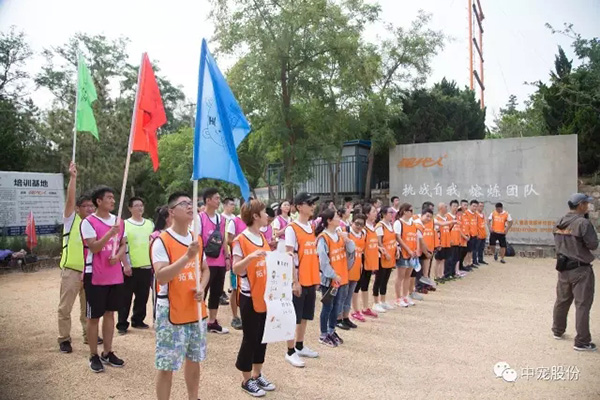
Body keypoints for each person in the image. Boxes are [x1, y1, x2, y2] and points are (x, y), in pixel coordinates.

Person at [150, 192, 210, 400]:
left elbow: (205, 269)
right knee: (167, 365)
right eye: (184, 204)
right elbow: (161, 276)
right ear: (172, 212)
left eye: (191, 203)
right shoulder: (162, 241)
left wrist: (202, 286)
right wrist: (187, 257)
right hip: (171, 311)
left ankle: (193, 397)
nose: (190, 206)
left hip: (195, 309)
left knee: (194, 359)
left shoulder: (196, 238)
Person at [232, 199, 277, 397]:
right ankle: (246, 379)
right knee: (250, 337)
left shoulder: (262, 237)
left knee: (263, 336)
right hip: (249, 296)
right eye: (264, 212)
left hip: (265, 294)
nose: (268, 215)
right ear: (256, 216)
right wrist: (250, 258)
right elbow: (236, 268)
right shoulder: (240, 240)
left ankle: (258, 374)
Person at [81, 186, 128, 373]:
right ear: (98, 201)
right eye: (109, 198)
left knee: (110, 314)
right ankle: (93, 354)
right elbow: (93, 247)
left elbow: (123, 244)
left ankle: (108, 352)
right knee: (94, 317)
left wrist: (118, 256)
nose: (113, 201)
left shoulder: (119, 221)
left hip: (114, 274)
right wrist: (110, 233)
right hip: (95, 275)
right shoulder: (88, 222)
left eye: (113, 198)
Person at [57, 162, 100, 353]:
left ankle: (88, 335)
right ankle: (64, 338)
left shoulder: (95, 224)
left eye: (92, 206)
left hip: (90, 272)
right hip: (72, 271)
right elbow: (70, 200)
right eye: (85, 206)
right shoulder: (71, 220)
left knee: (88, 308)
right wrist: (73, 178)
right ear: (77, 208)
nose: (89, 209)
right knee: (65, 307)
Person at [552, 193, 598, 352]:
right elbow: (593, 244)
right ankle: (582, 341)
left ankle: (557, 330)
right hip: (580, 268)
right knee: (582, 304)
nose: (588, 206)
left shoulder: (559, 222)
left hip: (563, 267)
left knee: (562, 300)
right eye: (586, 204)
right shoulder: (583, 223)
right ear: (580, 205)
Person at [284, 192, 320, 368]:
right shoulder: (292, 228)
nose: (312, 206)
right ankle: (290, 351)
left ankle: (299, 345)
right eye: (309, 203)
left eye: (313, 203)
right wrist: (294, 281)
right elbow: (290, 255)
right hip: (299, 279)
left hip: (311, 278)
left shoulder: (311, 227)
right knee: (294, 317)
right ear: (299, 207)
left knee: (305, 315)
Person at [315, 209, 355, 347]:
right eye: (336, 217)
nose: (339, 219)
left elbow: (351, 250)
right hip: (330, 279)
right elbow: (323, 261)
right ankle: (323, 334)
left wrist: (347, 239)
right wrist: (333, 275)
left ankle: (331, 330)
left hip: (342, 276)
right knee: (328, 306)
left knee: (337, 306)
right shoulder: (323, 238)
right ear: (329, 221)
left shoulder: (340, 234)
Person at [117, 197, 154, 334]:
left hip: (146, 265)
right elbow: (122, 245)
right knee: (125, 297)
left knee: (143, 296)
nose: (140, 208)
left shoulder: (149, 224)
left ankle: (138, 320)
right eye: (136, 205)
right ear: (130, 208)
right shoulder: (125, 224)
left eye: (141, 205)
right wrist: (125, 264)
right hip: (130, 266)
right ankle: (122, 323)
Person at [198, 188, 229, 334]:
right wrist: (199, 260)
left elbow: (223, 239)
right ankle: (199, 319)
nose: (218, 201)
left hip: (219, 261)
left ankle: (212, 321)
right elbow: (197, 239)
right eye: (216, 198)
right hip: (205, 263)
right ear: (208, 200)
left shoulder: (221, 219)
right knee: (202, 291)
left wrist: (227, 257)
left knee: (216, 292)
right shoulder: (199, 218)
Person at [355, 203, 380, 318]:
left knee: (365, 284)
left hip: (370, 260)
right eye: (373, 211)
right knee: (357, 286)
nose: (376, 213)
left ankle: (365, 307)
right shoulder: (364, 230)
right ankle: (355, 310)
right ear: (367, 214)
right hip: (362, 260)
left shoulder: (372, 227)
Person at [226, 199, 247, 331]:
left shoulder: (252, 222)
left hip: (251, 262)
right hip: (238, 260)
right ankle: (235, 316)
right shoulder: (234, 221)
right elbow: (229, 240)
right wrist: (242, 247)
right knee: (235, 288)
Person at [344, 213, 367, 325]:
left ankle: (346, 316)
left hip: (357, 268)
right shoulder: (346, 233)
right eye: (357, 223)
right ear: (352, 222)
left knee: (349, 295)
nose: (359, 226)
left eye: (361, 224)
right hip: (346, 268)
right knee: (342, 295)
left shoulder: (363, 234)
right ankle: (339, 317)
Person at [373, 206, 397, 312]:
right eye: (390, 212)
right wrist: (385, 253)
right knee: (379, 279)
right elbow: (379, 242)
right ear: (383, 214)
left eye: (392, 212)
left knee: (386, 279)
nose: (392, 214)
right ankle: (376, 302)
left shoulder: (390, 225)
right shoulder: (380, 226)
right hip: (382, 256)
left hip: (390, 255)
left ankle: (383, 300)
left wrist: (397, 250)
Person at [394, 203, 417, 307]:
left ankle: (405, 295)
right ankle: (398, 298)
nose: (412, 213)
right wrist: (408, 249)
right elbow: (398, 238)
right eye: (410, 211)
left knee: (408, 275)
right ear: (405, 212)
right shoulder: (398, 223)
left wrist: (415, 250)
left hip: (412, 252)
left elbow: (415, 237)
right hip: (403, 252)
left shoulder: (412, 223)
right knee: (400, 276)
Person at [434, 203, 452, 283]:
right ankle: (436, 276)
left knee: (443, 260)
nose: (447, 208)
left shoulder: (446, 218)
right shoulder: (437, 218)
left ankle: (441, 275)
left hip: (446, 242)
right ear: (441, 208)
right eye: (445, 207)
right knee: (438, 260)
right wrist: (438, 243)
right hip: (440, 243)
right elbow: (437, 232)